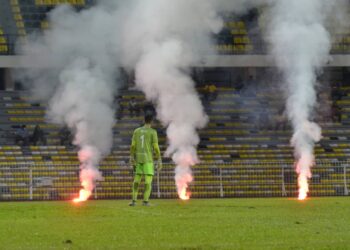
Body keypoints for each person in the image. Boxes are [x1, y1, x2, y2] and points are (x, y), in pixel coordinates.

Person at [129, 113, 162, 206]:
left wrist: (131, 157)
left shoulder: (136, 131)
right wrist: (159, 159)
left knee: (136, 181)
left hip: (138, 159)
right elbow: (156, 147)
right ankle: (145, 201)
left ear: (144, 120)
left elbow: (133, 146)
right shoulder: (152, 132)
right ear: (151, 121)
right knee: (148, 182)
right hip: (148, 160)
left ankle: (134, 201)